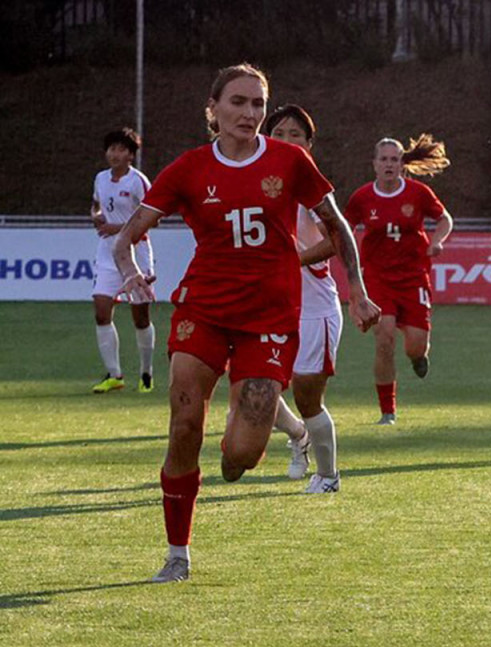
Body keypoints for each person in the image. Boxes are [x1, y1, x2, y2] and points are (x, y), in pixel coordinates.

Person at [113, 64, 381, 583]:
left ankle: (247, 441)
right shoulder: (190, 168)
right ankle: (177, 553)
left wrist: (359, 292)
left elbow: (337, 224)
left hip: (268, 320)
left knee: (239, 458)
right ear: (213, 110)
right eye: (238, 102)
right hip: (204, 310)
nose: (250, 113)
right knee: (185, 421)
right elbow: (128, 235)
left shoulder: (290, 160)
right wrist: (131, 274)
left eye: (258, 104)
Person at [344, 135, 454, 425]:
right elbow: (343, 229)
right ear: (375, 164)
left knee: (415, 345)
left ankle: (418, 356)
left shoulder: (418, 193)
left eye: (394, 159)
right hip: (378, 278)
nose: (389, 164)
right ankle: (388, 411)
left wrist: (437, 241)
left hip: (414, 276)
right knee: (384, 338)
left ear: (402, 164)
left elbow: (445, 219)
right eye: (384, 159)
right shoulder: (362, 198)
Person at [263, 103, 345, 492]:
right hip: (267, 306)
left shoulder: (312, 193)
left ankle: (328, 475)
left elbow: (338, 239)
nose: (287, 141)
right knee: (254, 387)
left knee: (308, 397)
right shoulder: (257, 185)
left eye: (296, 135)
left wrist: (293, 258)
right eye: (279, 133)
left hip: (313, 310)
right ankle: (298, 436)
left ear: (310, 145)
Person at [89, 127, 156, 394]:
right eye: (111, 149)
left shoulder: (138, 182)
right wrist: (96, 215)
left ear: (131, 155)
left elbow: (154, 218)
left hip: (135, 253)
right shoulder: (100, 178)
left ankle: (146, 371)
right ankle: (114, 374)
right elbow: (95, 204)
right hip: (107, 252)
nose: (114, 154)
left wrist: (117, 228)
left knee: (140, 317)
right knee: (101, 310)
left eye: (121, 149)